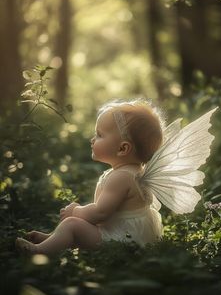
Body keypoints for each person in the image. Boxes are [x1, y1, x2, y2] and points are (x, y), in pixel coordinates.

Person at [16, 100, 165, 255]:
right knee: (74, 224)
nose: (92, 139)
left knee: (72, 224)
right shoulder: (133, 173)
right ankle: (54, 239)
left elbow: (100, 214)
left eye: (99, 135)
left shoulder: (121, 177)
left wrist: (76, 211)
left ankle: (39, 251)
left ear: (122, 148)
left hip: (123, 242)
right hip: (127, 235)